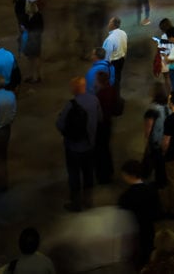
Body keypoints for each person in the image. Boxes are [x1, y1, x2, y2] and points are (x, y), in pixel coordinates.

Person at [56, 76, 102, 211]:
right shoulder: (94, 100)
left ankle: (75, 203)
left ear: (74, 89)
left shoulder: (71, 105)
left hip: (73, 147)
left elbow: (59, 124)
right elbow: (100, 119)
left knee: (74, 174)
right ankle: (88, 200)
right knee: (88, 172)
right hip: (90, 145)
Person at [117, 159, 160, 268]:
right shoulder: (151, 189)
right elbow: (158, 211)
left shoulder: (127, 195)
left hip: (136, 229)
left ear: (129, 175)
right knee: (148, 248)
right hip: (149, 227)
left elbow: (122, 211)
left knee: (139, 251)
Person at [102, 16, 128, 95]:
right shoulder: (123, 33)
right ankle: (116, 95)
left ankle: (112, 98)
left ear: (113, 25)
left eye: (110, 22)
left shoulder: (110, 39)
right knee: (117, 79)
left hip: (113, 63)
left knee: (111, 82)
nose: (108, 24)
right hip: (121, 60)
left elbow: (106, 56)